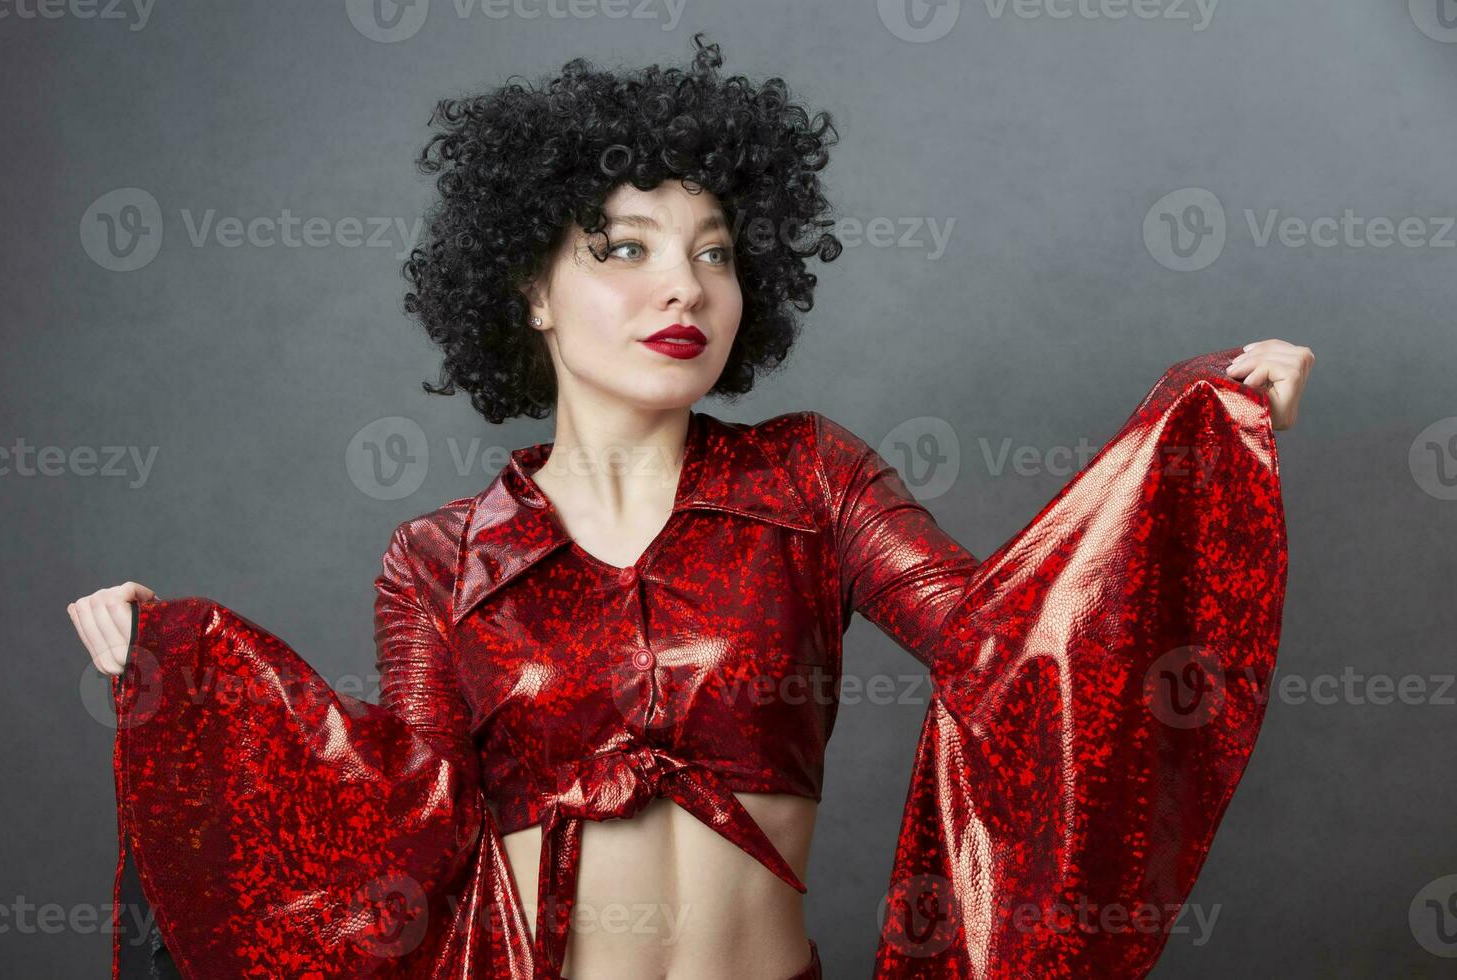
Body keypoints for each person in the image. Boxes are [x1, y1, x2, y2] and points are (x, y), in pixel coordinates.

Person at [71, 33, 1314, 979]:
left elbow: (1010, 647)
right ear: (533, 292)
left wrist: (1203, 438)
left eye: (712, 249)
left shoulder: (809, 476)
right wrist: (181, 664)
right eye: (625, 248)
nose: (685, 283)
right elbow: (405, 824)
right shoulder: (435, 556)